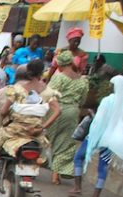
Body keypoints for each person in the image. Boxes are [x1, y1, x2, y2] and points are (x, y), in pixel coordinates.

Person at [0, 59, 61, 186]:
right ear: (42, 73)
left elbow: (3, 111)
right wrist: (42, 127)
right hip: (36, 134)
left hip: (15, 131)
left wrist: (8, 114)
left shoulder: (17, 90)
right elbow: (58, 111)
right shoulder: (48, 91)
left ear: (28, 73)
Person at [71, 75, 123, 197]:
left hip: (98, 136)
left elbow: (98, 121)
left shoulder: (107, 101)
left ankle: (77, 187)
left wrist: (92, 133)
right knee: (103, 167)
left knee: (78, 157)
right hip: (112, 140)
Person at [46, 50, 89, 184]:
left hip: (56, 110)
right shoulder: (82, 81)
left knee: (45, 138)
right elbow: (82, 101)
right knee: (64, 142)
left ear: (60, 65)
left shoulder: (59, 77)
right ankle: (55, 175)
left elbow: (48, 94)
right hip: (73, 112)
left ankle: (36, 163)